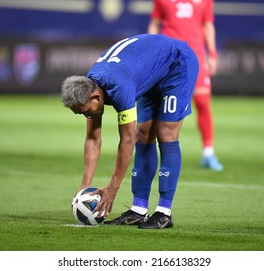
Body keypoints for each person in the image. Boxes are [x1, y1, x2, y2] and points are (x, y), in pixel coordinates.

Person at [61, 34, 199, 229]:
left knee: (165, 133)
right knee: (143, 135)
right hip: (151, 72)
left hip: (176, 65)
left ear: (96, 97)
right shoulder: (90, 86)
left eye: (85, 112)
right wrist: (84, 186)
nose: (86, 117)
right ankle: (139, 210)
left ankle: (164, 212)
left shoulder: (119, 87)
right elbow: (93, 138)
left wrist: (113, 189)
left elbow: (126, 140)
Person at [148, 0, 223, 171]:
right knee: (162, 104)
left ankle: (208, 152)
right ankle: (152, 150)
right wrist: (152, 49)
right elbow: (154, 24)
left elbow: (208, 24)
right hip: (170, 56)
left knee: (203, 101)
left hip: (196, 56)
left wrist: (212, 53)